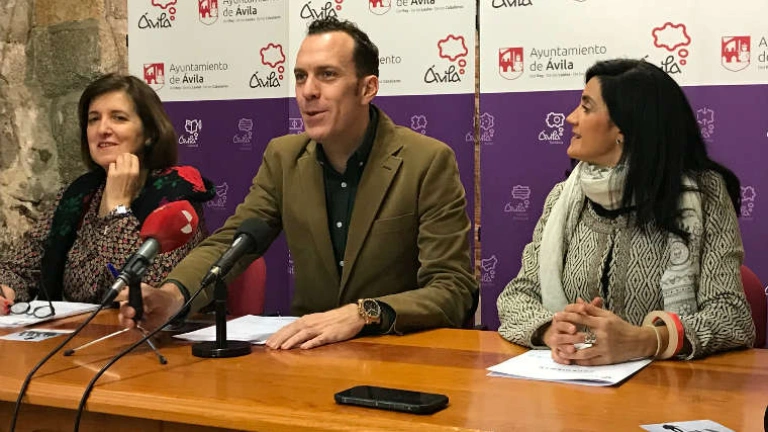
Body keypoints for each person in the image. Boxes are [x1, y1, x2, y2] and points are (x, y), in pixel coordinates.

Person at [119, 17, 477, 349]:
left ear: (367, 88)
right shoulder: (283, 157)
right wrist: (172, 296)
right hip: (309, 354)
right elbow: (231, 244)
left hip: (397, 352)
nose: (308, 91)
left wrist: (364, 312)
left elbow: (453, 288)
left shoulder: (426, 161)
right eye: (301, 76)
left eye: (327, 75)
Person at [496, 59, 755, 365]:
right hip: (573, 381)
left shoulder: (705, 195)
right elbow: (517, 296)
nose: (571, 118)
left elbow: (732, 317)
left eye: (586, 107)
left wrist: (644, 340)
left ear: (624, 128)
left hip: (669, 386)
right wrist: (552, 331)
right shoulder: (562, 198)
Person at [0, 73, 215, 312]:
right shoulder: (77, 194)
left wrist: (118, 209)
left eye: (118, 118)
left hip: (146, 332)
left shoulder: (175, 196)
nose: (102, 129)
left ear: (149, 134)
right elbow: (18, 267)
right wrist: (5, 289)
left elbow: (150, 292)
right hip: (71, 330)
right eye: (93, 119)